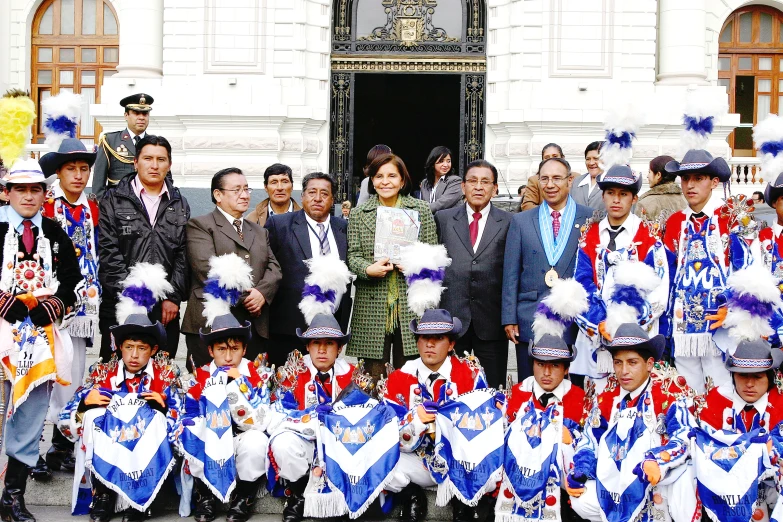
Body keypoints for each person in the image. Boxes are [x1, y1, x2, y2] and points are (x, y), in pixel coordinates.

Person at [58, 265, 182, 522]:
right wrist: (83, 405)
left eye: (142, 348)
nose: (135, 355)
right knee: (93, 417)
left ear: (153, 349)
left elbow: (184, 423)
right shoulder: (102, 372)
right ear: (119, 349)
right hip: (111, 447)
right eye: (129, 347)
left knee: (155, 419)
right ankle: (103, 494)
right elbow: (64, 421)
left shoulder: (167, 374)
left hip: (147, 457)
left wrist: (165, 406)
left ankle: (141, 500)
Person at [0, 158, 81, 522]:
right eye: (20, 190)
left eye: (35, 190)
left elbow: (72, 281)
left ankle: (12, 497)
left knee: (30, 416)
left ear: (45, 195)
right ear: (7, 193)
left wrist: (57, 304)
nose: (28, 197)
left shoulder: (55, 232)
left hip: (40, 339)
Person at [567, 324, 694, 522]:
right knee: (580, 499)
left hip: (654, 480)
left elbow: (685, 436)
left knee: (685, 480)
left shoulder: (668, 391)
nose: (624, 371)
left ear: (649, 364)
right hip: (617, 481)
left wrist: (658, 461)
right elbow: (590, 440)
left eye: (632, 362)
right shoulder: (607, 396)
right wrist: (582, 470)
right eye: (618, 363)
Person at [179, 267, 275, 522]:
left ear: (244, 349)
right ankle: (206, 494)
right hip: (212, 444)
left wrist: (238, 385)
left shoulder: (258, 375)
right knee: (193, 431)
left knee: (256, 441)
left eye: (235, 348)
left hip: (241, 439)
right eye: (222, 349)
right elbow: (188, 415)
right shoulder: (199, 377)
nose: (229, 355)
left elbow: (260, 420)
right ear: (211, 351)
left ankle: (244, 495)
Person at [381, 309, 488, 522]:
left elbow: (485, 428)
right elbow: (386, 433)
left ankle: (466, 501)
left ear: (451, 344)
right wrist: (415, 421)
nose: (430, 344)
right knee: (377, 462)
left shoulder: (471, 375)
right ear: (417, 343)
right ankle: (410, 494)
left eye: (438, 339)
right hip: (419, 461)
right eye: (424, 338)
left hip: (461, 462)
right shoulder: (400, 378)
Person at [572, 165, 673, 389]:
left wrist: (624, 327)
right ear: (603, 195)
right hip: (596, 338)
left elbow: (659, 292)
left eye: (623, 194)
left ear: (634, 198)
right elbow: (580, 285)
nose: (616, 200)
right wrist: (599, 323)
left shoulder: (649, 236)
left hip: (636, 337)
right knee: (597, 402)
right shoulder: (589, 236)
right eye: (610, 193)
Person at [661, 339, 783, 522]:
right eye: (742, 375)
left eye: (757, 377)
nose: (749, 384)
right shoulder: (714, 401)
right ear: (733, 376)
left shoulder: (780, 404)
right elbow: (683, 428)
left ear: (770, 378)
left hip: (767, 488)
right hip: (720, 486)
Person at [36, 138, 101, 479]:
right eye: (70, 169)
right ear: (58, 173)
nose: (78, 175)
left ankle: (60, 446)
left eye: (83, 169)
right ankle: (31, 450)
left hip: (82, 306)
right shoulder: (46, 206)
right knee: (44, 374)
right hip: (49, 303)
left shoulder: (93, 208)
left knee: (73, 376)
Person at [98, 135, 190, 361]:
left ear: (169, 164)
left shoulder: (179, 203)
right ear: (135, 162)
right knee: (115, 378)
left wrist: (173, 297)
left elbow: (184, 254)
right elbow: (108, 252)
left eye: (161, 159)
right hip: (122, 303)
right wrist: (132, 296)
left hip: (164, 308)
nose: (154, 165)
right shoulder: (113, 200)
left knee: (161, 379)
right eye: (148, 158)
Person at [267, 314, 366, 522]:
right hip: (304, 439)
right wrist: (310, 419)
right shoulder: (292, 372)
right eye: (316, 343)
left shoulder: (353, 375)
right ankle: (297, 493)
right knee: (283, 443)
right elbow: (277, 413)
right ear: (307, 347)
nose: (322, 350)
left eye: (329, 343)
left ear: (339, 349)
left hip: (339, 442)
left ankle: (344, 497)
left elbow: (365, 416)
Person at [347, 153, 437, 379]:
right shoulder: (359, 214)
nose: (385, 182)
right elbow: (353, 255)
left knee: (408, 376)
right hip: (371, 304)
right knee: (372, 377)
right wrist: (368, 270)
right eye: (379, 176)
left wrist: (415, 267)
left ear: (402, 180)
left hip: (410, 304)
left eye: (391, 176)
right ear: (371, 181)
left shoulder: (420, 210)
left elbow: (432, 253)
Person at [502, 157, 593, 381]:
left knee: (574, 390)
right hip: (530, 317)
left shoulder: (589, 217)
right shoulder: (521, 221)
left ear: (570, 181)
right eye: (544, 179)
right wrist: (509, 317)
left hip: (573, 320)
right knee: (529, 386)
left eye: (556, 178)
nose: (550, 184)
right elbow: (511, 273)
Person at [183, 167, 282, 370]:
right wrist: (249, 299)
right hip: (210, 325)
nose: (244, 195)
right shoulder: (200, 225)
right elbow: (207, 270)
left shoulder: (258, 231)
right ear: (217, 195)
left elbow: (274, 268)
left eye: (247, 189)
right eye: (236, 190)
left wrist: (262, 293)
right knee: (207, 391)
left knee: (250, 391)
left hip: (253, 327)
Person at [662, 150, 741, 393]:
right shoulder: (675, 221)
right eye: (685, 179)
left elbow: (745, 269)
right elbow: (667, 273)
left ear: (714, 182)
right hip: (683, 324)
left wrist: (734, 307)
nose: (690, 185)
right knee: (687, 390)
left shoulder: (732, 218)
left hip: (721, 322)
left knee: (722, 389)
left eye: (698, 178)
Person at [435, 159, 512, 388]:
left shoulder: (509, 222)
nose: (478, 187)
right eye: (473, 181)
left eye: (485, 182)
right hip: (452, 323)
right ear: (463, 187)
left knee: (491, 389)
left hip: (491, 323)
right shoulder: (444, 219)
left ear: (495, 189)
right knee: (450, 389)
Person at [264, 172, 350, 367]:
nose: (317, 198)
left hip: (331, 329)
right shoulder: (280, 225)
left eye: (324, 193)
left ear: (332, 199)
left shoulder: (344, 228)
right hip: (288, 328)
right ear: (302, 196)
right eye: (312, 192)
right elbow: (267, 267)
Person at [498, 335, 586, 522]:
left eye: (554, 365)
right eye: (540, 364)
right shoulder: (518, 393)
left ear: (566, 369)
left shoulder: (578, 398)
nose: (546, 372)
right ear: (532, 365)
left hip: (560, 479)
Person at [92, 93, 154, 199]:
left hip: (149, 203)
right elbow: (99, 182)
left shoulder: (155, 144)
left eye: (145, 114)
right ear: (126, 116)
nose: (141, 117)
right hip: (118, 204)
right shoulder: (110, 141)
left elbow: (166, 178)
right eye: (136, 113)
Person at [634, 155, 686, 220]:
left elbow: (639, 229)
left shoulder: (645, 204)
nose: (647, 176)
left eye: (649, 172)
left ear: (658, 175)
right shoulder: (686, 201)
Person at [521, 143, 565, 212]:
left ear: (562, 158)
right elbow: (527, 205)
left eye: (555, 156)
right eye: (547, 157)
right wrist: (552, 214)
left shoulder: (575, 178)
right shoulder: (534, 180)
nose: (551, 160)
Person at [419, 146, 463, 212]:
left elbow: (442, 204)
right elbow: (422, 203)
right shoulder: (425, 183)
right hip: (428, 221)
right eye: (441, 161)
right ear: (433, 163)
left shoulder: (455, 181)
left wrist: (420, 210)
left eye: (448, 161)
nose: (445, 165)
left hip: (448, 221)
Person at [571, 141, 604, 211]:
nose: (591, 163)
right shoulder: (577, 182)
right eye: (588, 159)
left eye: (596, 159)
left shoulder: (612, 182)